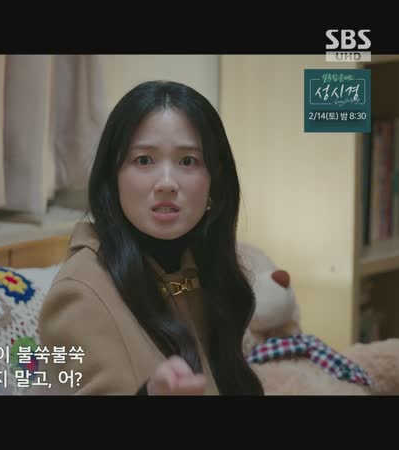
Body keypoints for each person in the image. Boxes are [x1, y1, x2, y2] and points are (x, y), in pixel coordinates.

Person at [37, 80, 264, 395]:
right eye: (144, 160)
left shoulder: (200, 267)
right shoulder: (80, 292)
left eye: (188, 161)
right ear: (112, 178)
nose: (167, 183)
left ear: (215, 179)